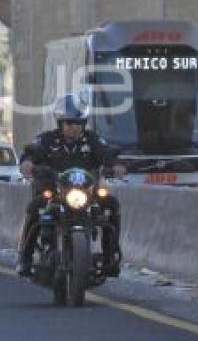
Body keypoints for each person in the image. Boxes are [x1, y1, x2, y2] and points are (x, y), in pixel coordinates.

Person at [16, 94, 126, 278]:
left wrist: (117, 165)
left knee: (111, 204)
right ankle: (24, 258)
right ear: (60, 123)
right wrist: (27, 163)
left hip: (86, 192)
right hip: (55, 190)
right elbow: (32, 151)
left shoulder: (91, 140)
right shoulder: (48, 140)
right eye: (69, 123)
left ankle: (109, 256)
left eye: (78, 123)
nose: (73, 127)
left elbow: (107, 153)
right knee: (35, 207)